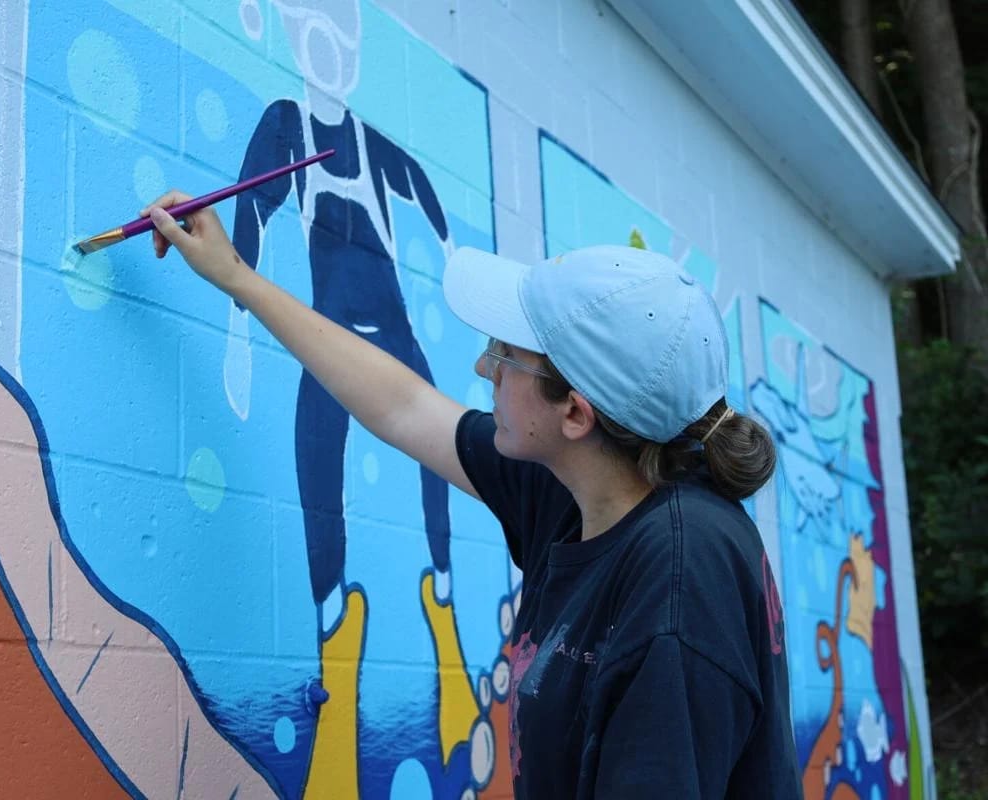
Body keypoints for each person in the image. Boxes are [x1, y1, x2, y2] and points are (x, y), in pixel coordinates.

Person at [139, 193, 804, 799]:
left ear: (576, 413)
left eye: (504, 354)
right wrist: (237, 277)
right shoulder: (585, 488)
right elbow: (403, 407)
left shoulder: (678, 581)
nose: (482, 367)